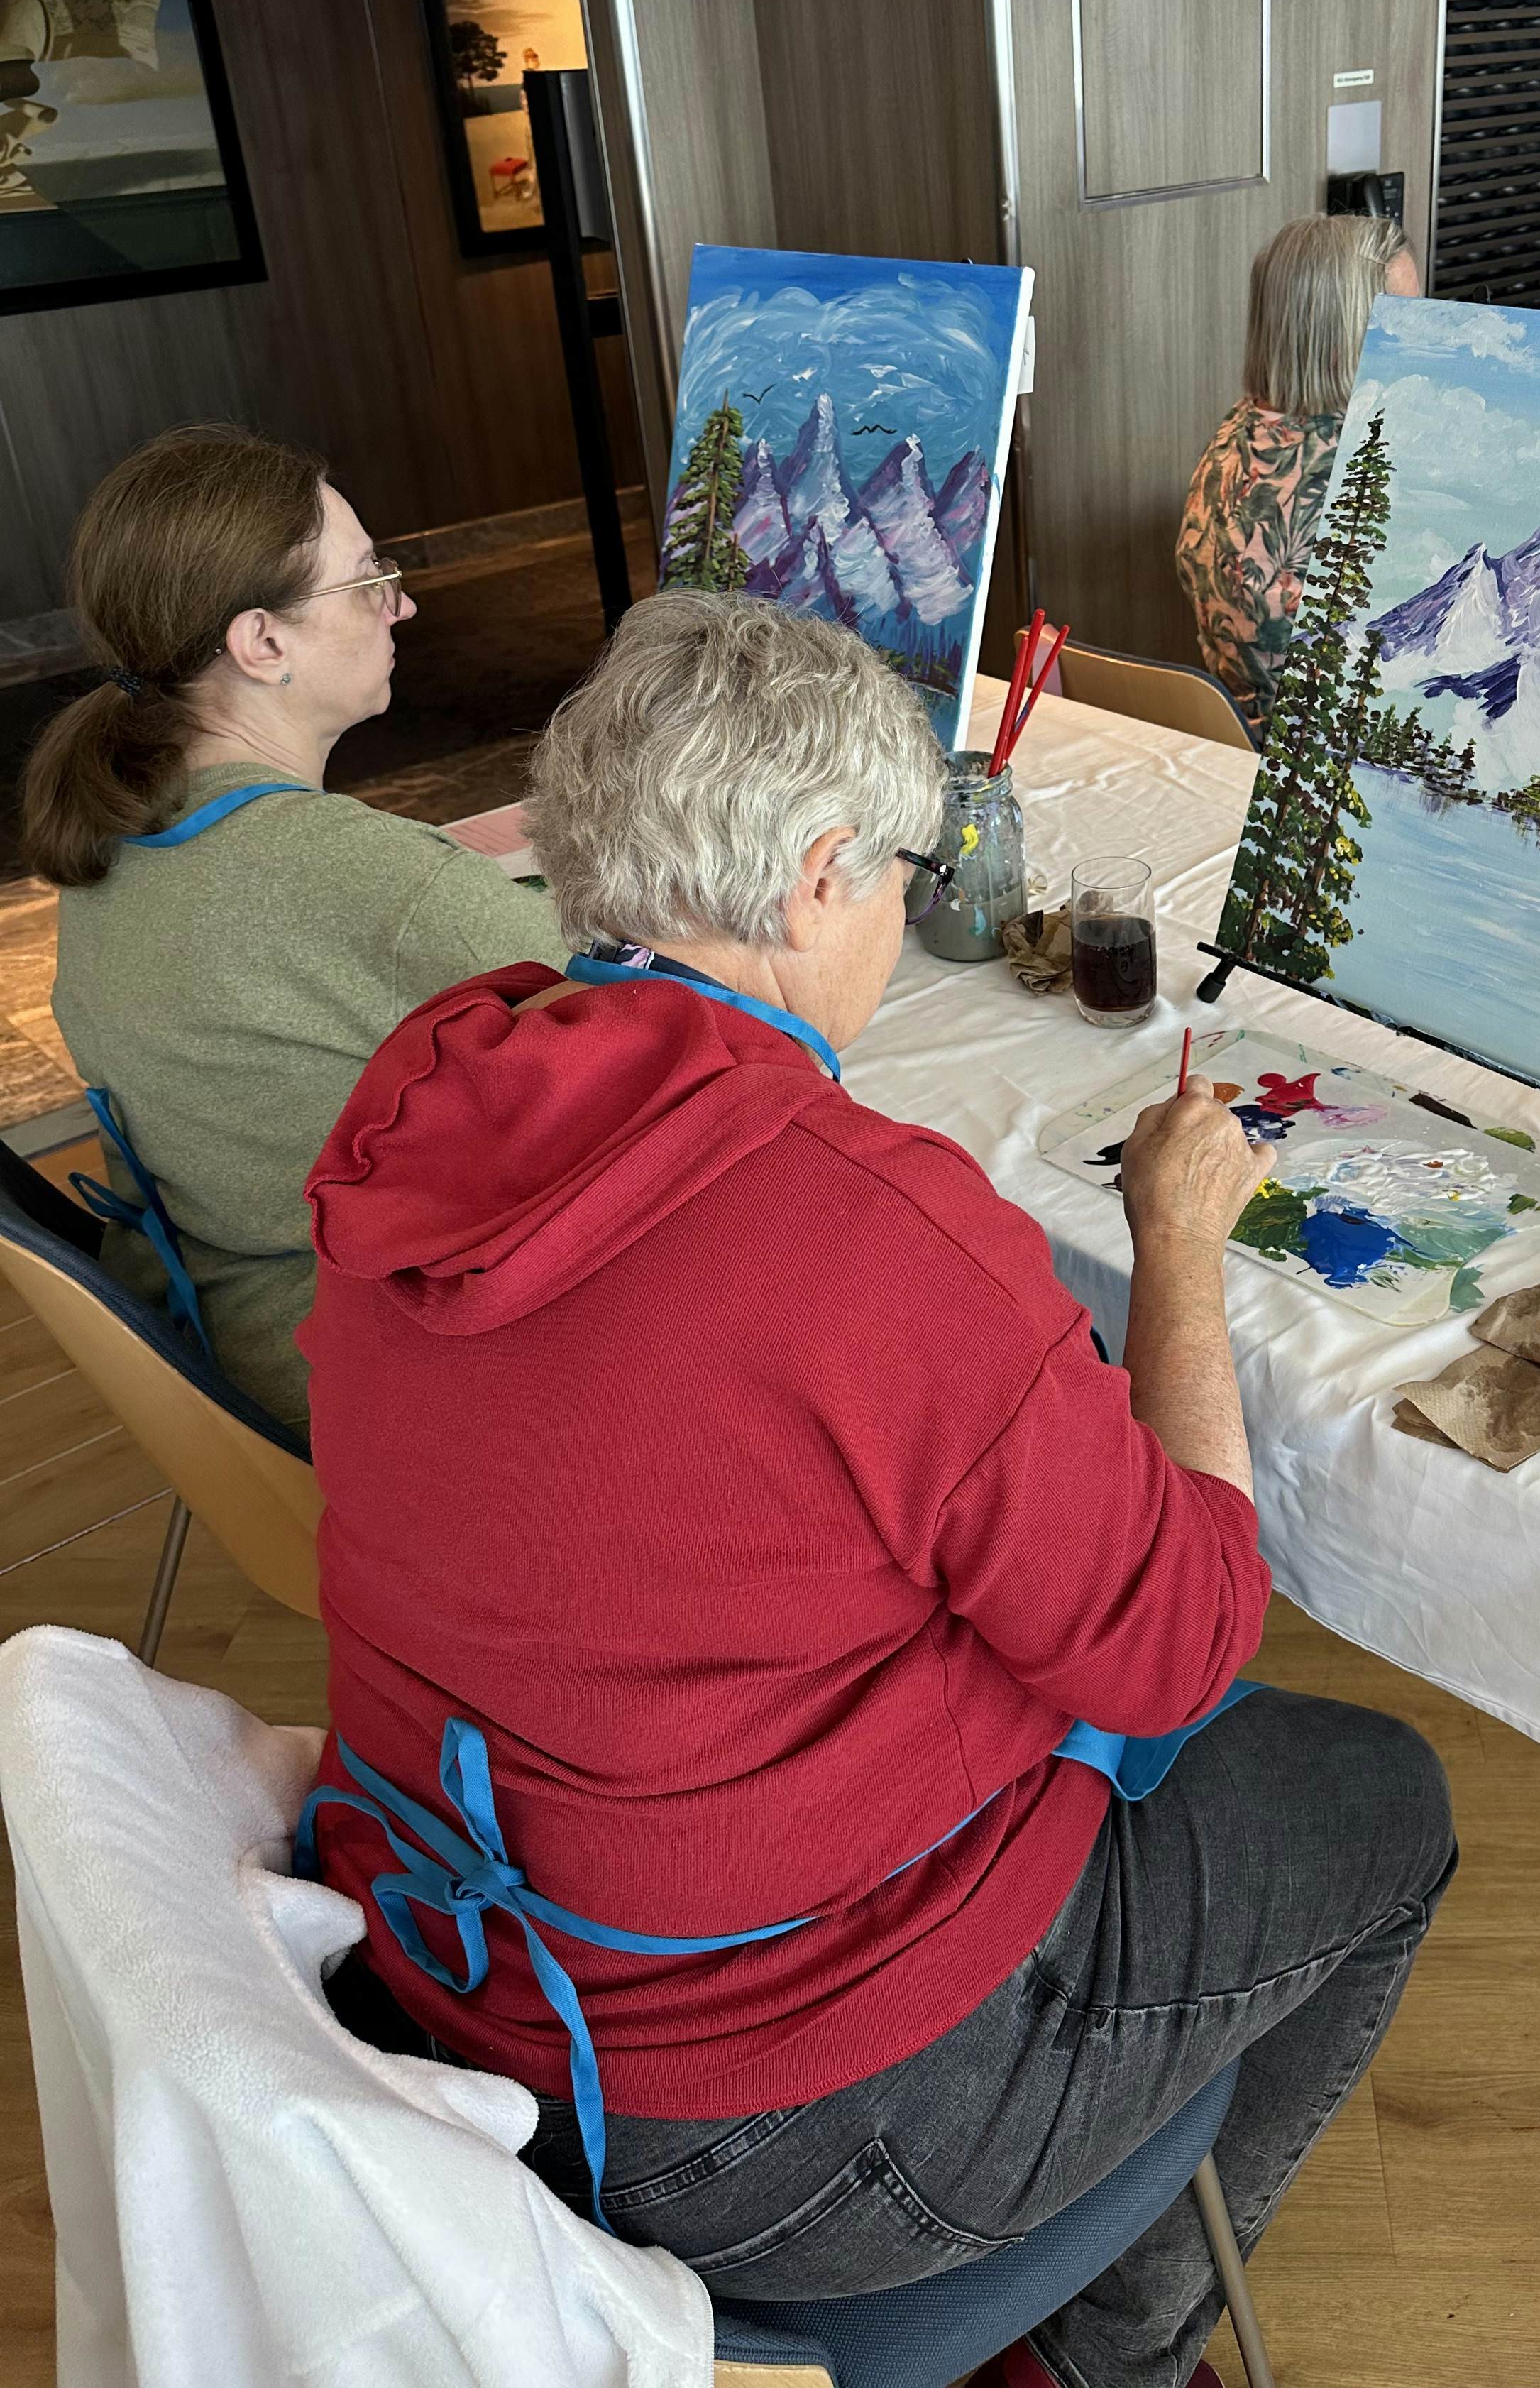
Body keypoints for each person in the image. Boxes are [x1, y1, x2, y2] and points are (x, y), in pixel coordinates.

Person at [302, 591, 1454, 2388]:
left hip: (448, 1990)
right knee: (1379, 1798)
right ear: (820, 875)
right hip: (764, 2132)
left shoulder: (428, 1099)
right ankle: (1111, 2361)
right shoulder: (875, 1231)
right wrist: (1178, 1251)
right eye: (910, 875)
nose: (912, 912)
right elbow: (1186, 1647)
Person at [21, 425, 564, 1433]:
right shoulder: (350, 877)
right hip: (369, 1385)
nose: (401, 604)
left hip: (228, 1342)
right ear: (261, 642)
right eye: (368, 579)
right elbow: (663, 1000)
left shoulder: (119, 836)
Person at [1177, 212, 1421, 728]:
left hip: (1237, 747)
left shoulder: (1242, 433)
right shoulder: (1348, 469)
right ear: (1339, 335)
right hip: (1307, 774)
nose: (1422, 344)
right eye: (1404, 324)